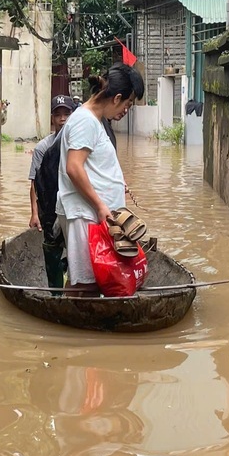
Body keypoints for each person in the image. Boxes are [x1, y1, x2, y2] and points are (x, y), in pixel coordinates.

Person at [56, 63, 145, 293]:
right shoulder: (86, 121)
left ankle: (69, 318)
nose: (126, 110)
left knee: (89, 280)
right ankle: (72, 325)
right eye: (128, 104)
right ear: (116, 98)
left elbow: (92, 165)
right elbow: (74, 168)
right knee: (86, 284)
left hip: (93, 215)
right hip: (85, 215)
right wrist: (99, 205)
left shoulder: (94, 120)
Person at [29, 95, 75, 287]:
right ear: (52, 119)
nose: (62, 119)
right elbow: (34, 182)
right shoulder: (43, 147)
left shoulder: (78, 145)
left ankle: (73, 278)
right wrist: (34, 214)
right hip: (49, 207)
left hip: (71, 204)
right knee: (51, 247)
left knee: (78, 249)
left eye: (67, 114)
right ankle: (55, 291)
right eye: (58, 115)